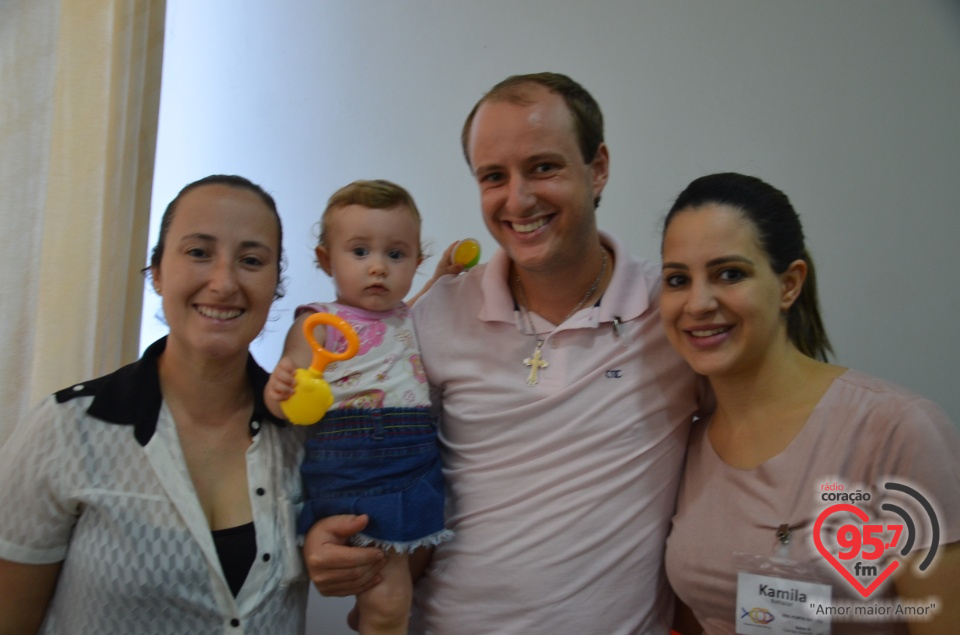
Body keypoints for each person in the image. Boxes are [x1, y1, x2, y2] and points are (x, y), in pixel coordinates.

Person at [305, 73, 703, 634]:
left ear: (598, 169)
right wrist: (331, 539)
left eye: (543, 167)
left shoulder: (673, 311)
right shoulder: (433, 314)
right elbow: (377, 455)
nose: (518, 199)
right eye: (494, 176)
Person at [0, 175, 309, 633]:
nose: (224, 283)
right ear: (158, 271)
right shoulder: (64, 429)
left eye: (250, 260)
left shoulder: (306, 435)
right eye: (199, 252)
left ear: (274, 285)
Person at [660, 172, 960, 634]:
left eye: (730, 274)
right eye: (678, 279)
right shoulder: (686, 439)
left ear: (789, 285)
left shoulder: (896, 430)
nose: (698, 302)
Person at [264, 180, 453, 635]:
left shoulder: (406, 313)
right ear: (326, 259)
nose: (378, 269)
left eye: (395, 254)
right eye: (360, 252)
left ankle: (374, 614)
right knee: (391, 599)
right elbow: (292, 398)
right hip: (358, 462)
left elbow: (418, 304)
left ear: (415, 262)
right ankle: (379, 619)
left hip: (417, 458)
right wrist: (280, 391)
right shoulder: (319, 322)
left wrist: (442, 278)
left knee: (406, 576)